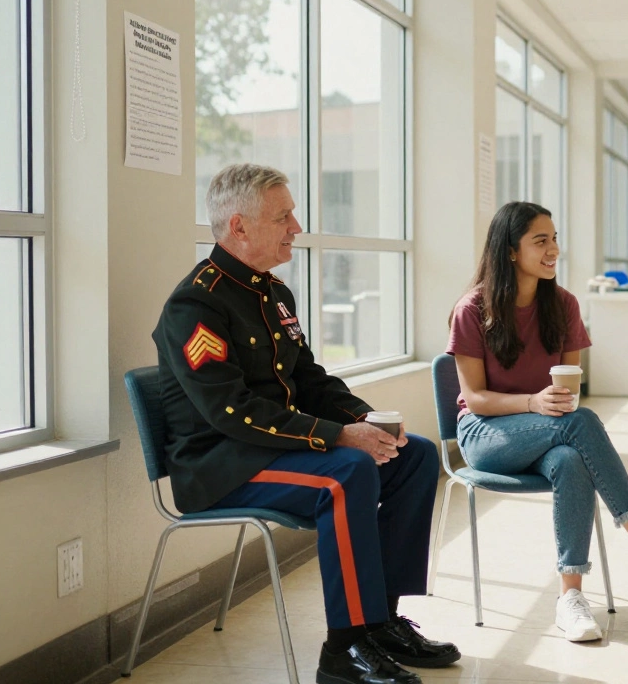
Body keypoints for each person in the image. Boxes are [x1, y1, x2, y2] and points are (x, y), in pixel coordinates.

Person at [152, 163, 458, 684]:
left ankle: (381, 622)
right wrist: (338, 436)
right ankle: (344, 650)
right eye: (284, 216)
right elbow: (232, 411)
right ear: (239, 227)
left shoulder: (273, 294)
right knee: (347, 473)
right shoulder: (194, 304)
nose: (296, 226)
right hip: (220, 464)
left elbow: (311, 381)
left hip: (271, 451)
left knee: (417, 455)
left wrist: (366, 420)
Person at [446, 201, 628, 644]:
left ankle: (570, 597)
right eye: (541, 241)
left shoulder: (564, 305)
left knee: (571, 459)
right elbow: (475, 399)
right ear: (510, 250)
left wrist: (547, 405)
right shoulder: (473, 308)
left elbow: (570, 393)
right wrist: (532, 401)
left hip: (547, 432)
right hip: (485, 433)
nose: (554, 249)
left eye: (554, 238)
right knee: (580, 424)